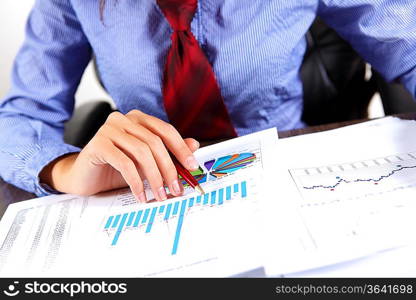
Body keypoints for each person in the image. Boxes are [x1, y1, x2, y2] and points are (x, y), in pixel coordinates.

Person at [0, 0, 415, 203]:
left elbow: (409, 46)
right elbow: (21, 113)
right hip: (151, 193)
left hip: (289, 179)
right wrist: (64, 169)